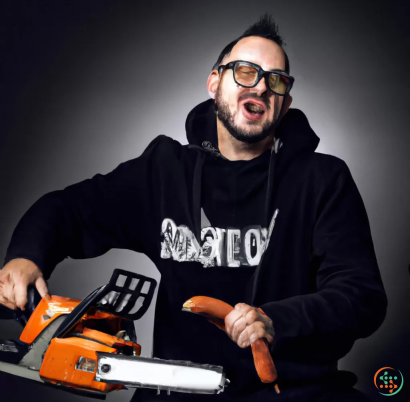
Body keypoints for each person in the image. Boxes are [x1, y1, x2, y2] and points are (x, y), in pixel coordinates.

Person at [0, 14, 387, 401]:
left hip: (296, 392)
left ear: (284, 103)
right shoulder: (165, 171)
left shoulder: (324, 179)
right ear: (214, 82)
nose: (262, 87)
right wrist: (26, 255)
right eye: (246, 71)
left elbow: (361, 297)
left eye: (276, 80)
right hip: (180, 391)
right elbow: (70, 209)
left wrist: (274, 321)